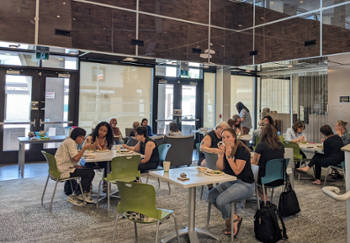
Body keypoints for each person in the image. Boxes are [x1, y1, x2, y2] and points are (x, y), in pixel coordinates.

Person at [208, 128, 255, 237]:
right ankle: (234, 217)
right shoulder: (226, 149)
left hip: (245, 184)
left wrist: (228, 155)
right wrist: (221, 154)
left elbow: (237, 170)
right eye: (223, 137)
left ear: (234, 137)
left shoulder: (242, 150)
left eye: (228, 137)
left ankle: (231, 221)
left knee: (221, 201)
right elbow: (220, 168)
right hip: (232, 182)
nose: (225, 140)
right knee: (211, 195)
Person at [54, 127, 96, 206]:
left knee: (86, 170)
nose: (83, 140)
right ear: (78, 137)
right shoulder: (71, 143)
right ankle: (75, 195)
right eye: (83, 138)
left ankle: (83, 193)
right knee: (90, 173)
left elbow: (74, 156)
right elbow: (76, 158)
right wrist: (84, 148)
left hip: (60, 168)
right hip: (63, 170)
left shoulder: (68, 141)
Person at [251, 124, 285, 202]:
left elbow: (254, 164)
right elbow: (281, 160)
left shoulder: (260, 146)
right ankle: (265, 195)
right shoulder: (281, 146)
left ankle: (264, 197)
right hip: (279, 178)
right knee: (264, 169)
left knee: (249, 176)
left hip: (265, 179)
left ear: (262, 134)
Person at [84, 122, 114, 192]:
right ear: (97, 129)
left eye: (105, 131)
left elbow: (109, 151)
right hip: (91, 159)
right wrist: (92, 146)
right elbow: (84, 150)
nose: (102, 132)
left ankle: (105, 182)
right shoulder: (90, 138)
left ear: (107, 132)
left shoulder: (108, 139)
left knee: (110, 164)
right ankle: (88, 185)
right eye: (100, 130)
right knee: (88, 165)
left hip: (103, 159)